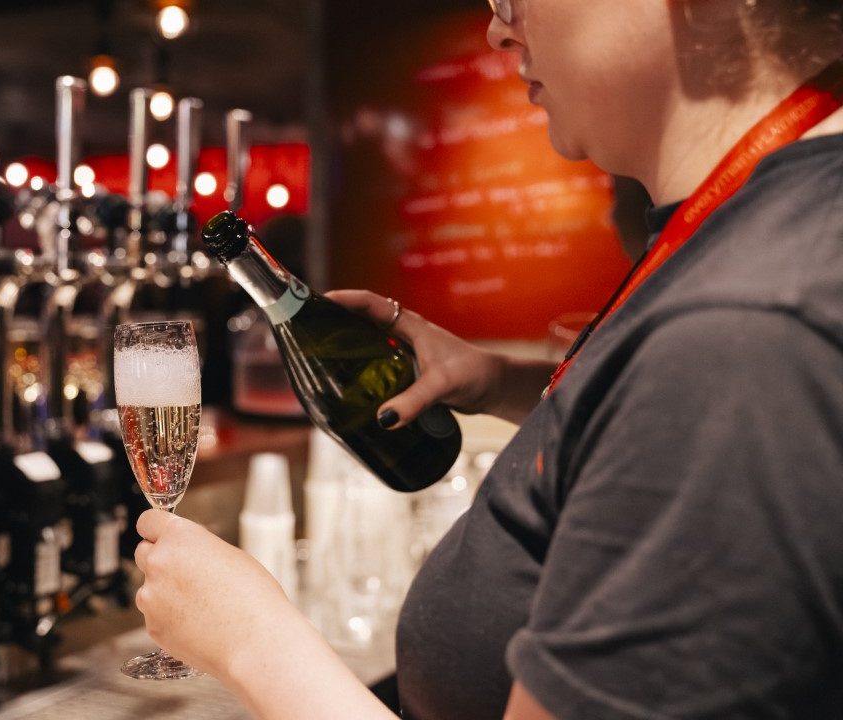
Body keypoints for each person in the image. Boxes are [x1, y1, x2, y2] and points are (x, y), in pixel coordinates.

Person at [132, 1, 843, 717]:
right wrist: (508, 385)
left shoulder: (741, 335)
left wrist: (252, 641)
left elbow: (710, 396)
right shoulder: (762, 228)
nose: (497, 29)